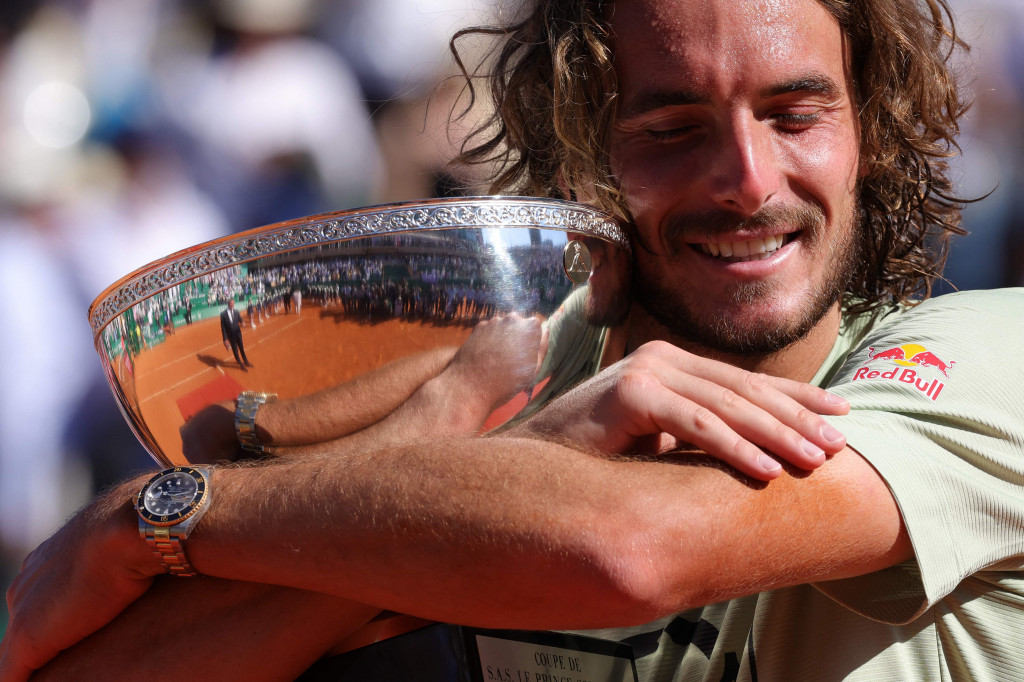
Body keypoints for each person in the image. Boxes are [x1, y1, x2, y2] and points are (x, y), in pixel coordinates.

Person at [4, 0, 1024, 680]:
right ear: (581, 151)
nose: (749, 182)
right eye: (671, 130)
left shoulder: (990, 359)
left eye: (794, 116)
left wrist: (159, 514)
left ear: (870, 134)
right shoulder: (521, 370)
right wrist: (452, 430)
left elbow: (628, 549)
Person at [220, 298, 252, 369]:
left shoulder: (236, 312)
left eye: (233, 304)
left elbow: (240, 319)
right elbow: (223, 328)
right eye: (231, 304)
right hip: (231, 336)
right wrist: (225, 339)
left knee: (241, 348)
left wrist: (242, 322)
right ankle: (240, 364)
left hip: (238, 334)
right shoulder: (223, 314)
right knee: (235, 350)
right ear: (228, 304)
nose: (233, 305)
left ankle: (246, 361)